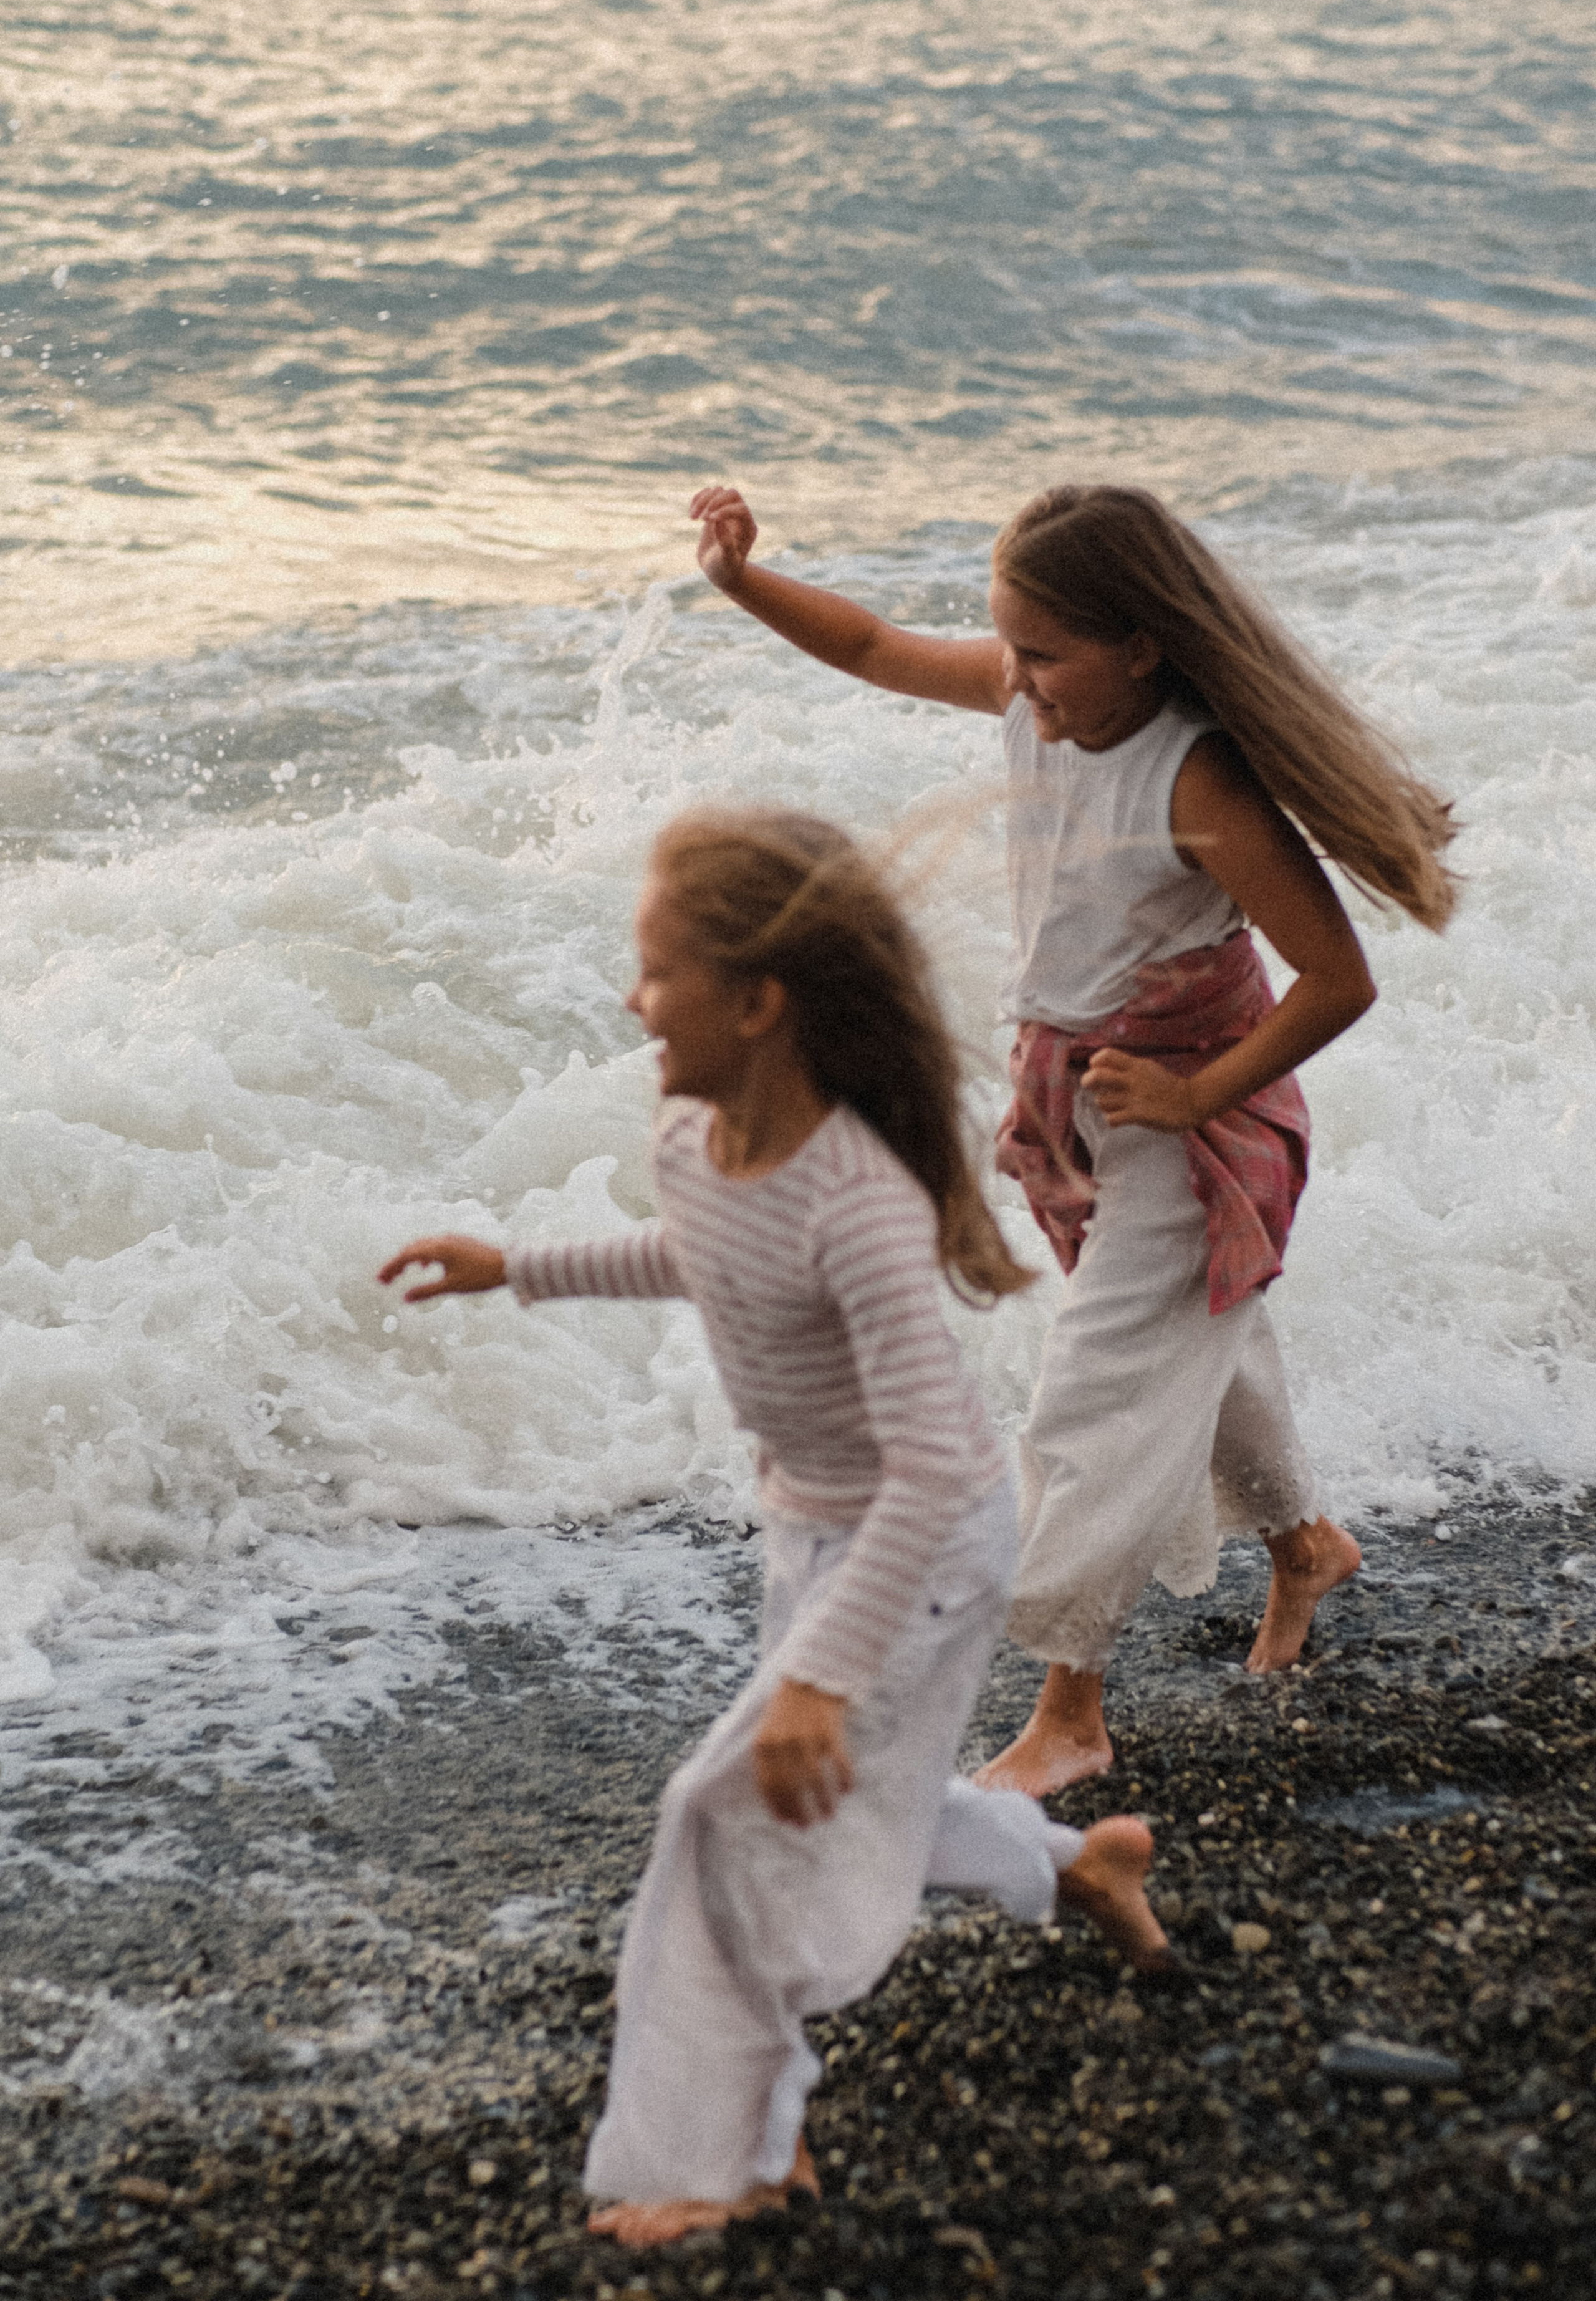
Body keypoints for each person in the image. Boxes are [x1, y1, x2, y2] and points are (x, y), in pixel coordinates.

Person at [379, 804, 1173, 2249]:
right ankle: (1074, 1866)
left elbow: (936, 1470)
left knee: (723, 1816)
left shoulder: (859, 1205)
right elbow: (698, 1253)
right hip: (816, 1532)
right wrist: (519, 1267)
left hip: (919, 1550)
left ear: (756, 1003)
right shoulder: (696, 1136)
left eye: (655, 969)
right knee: (852, 1802)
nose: (633, 999)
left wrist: (816, 1675)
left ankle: (735, 2157)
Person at [688, 483, 1458, 1797]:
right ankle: (1302, 1543)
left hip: (1186, 1121)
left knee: (1090, 1400)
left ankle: (1069, 1715)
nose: (1019, 681)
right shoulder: (1032, 698)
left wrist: (1197, 1094)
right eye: (1008, 646)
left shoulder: (1198, 775)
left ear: (1141, 645)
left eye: (1043, 654)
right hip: (1076, 1102)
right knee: (1194, 1339)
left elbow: (1337, 978)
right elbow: (875, 648)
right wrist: (743, 583)